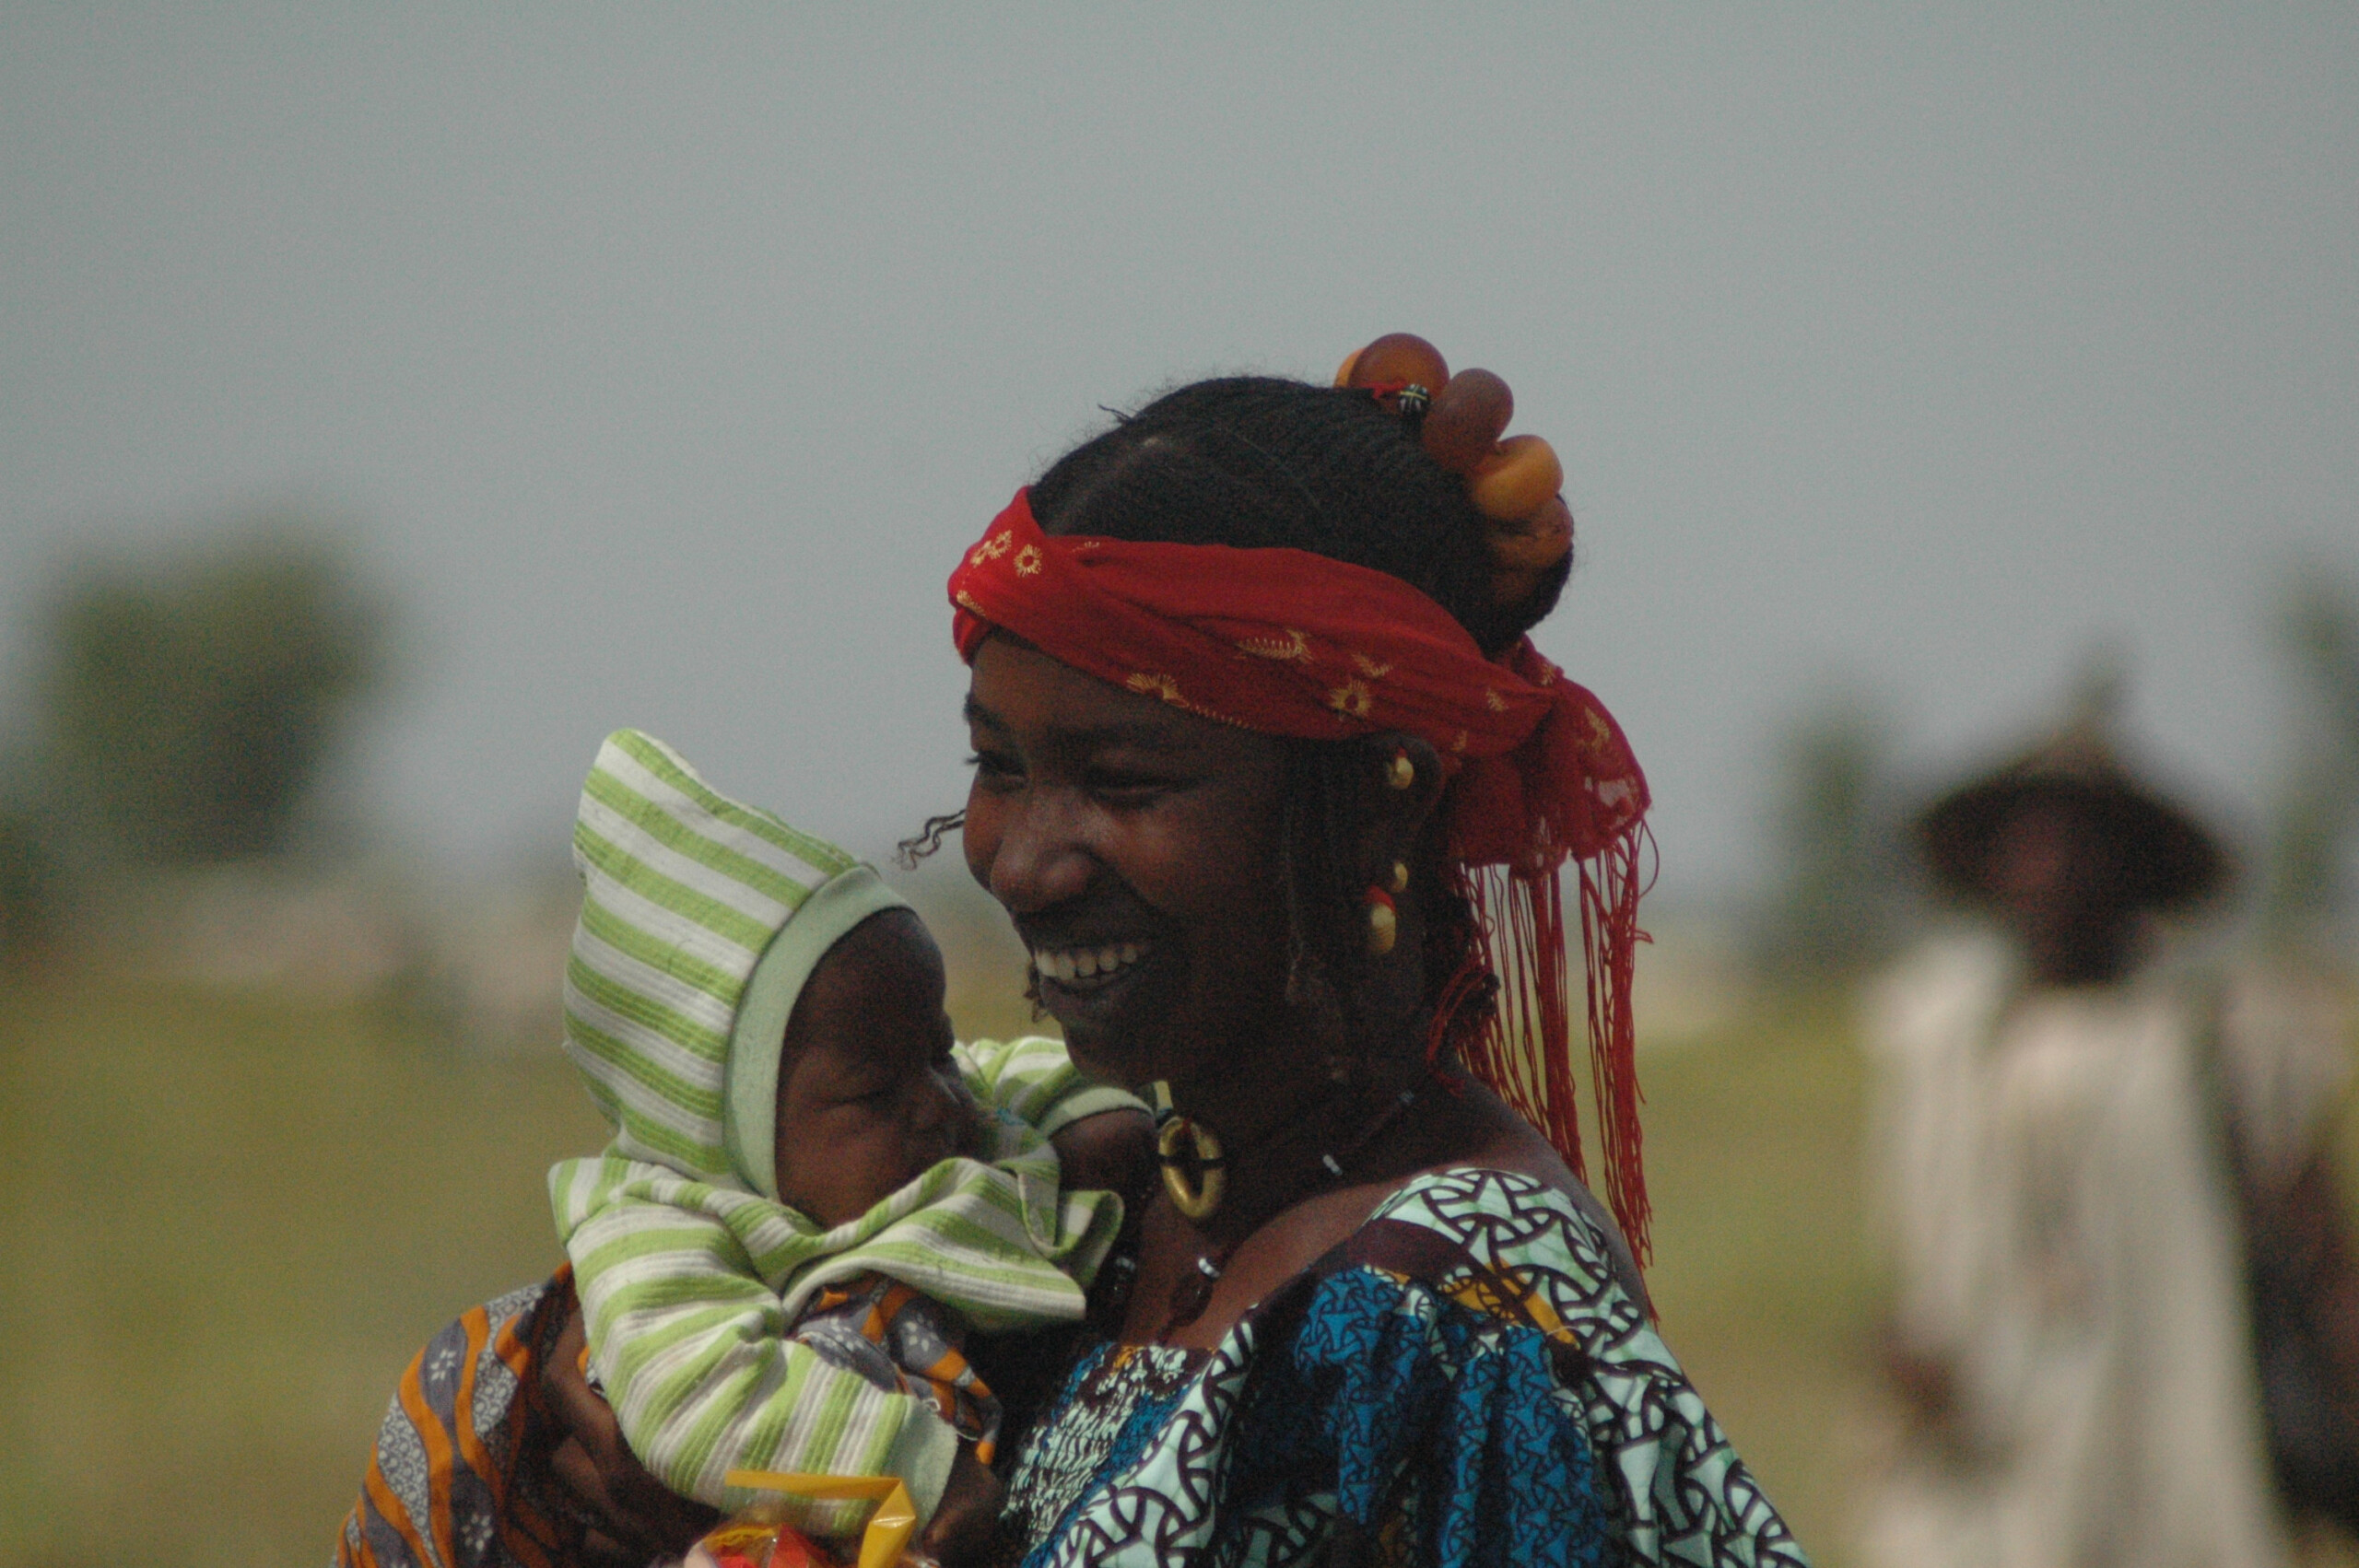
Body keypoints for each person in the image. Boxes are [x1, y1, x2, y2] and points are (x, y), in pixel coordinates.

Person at [472, 333, 1809, 1568]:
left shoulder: (1449, 1317)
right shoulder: (1089, 1217)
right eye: (998, 765)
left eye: (1122, 780)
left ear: (1387, 793)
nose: (1021, 859)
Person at [334, 730, 1150, 1567]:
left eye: (938, 1048)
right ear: (733, 1134)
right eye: (877, 1092)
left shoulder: (922, 1106)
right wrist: (924, 1473)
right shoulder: (660, 1233)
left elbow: (1009, 1074)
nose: (941, 1102)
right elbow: (696, 1399)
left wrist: (1104, 1122)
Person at [1857, 679, 2355, 1568]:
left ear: (2138, 865)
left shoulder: (2224, 1038)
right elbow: (1923, 1267)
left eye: (2083, 838)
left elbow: (2315, 1246)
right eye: (2028, 839)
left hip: (2171, 1449)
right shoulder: (1939, 1038)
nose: (2051, 864)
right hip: (1989, 1457)